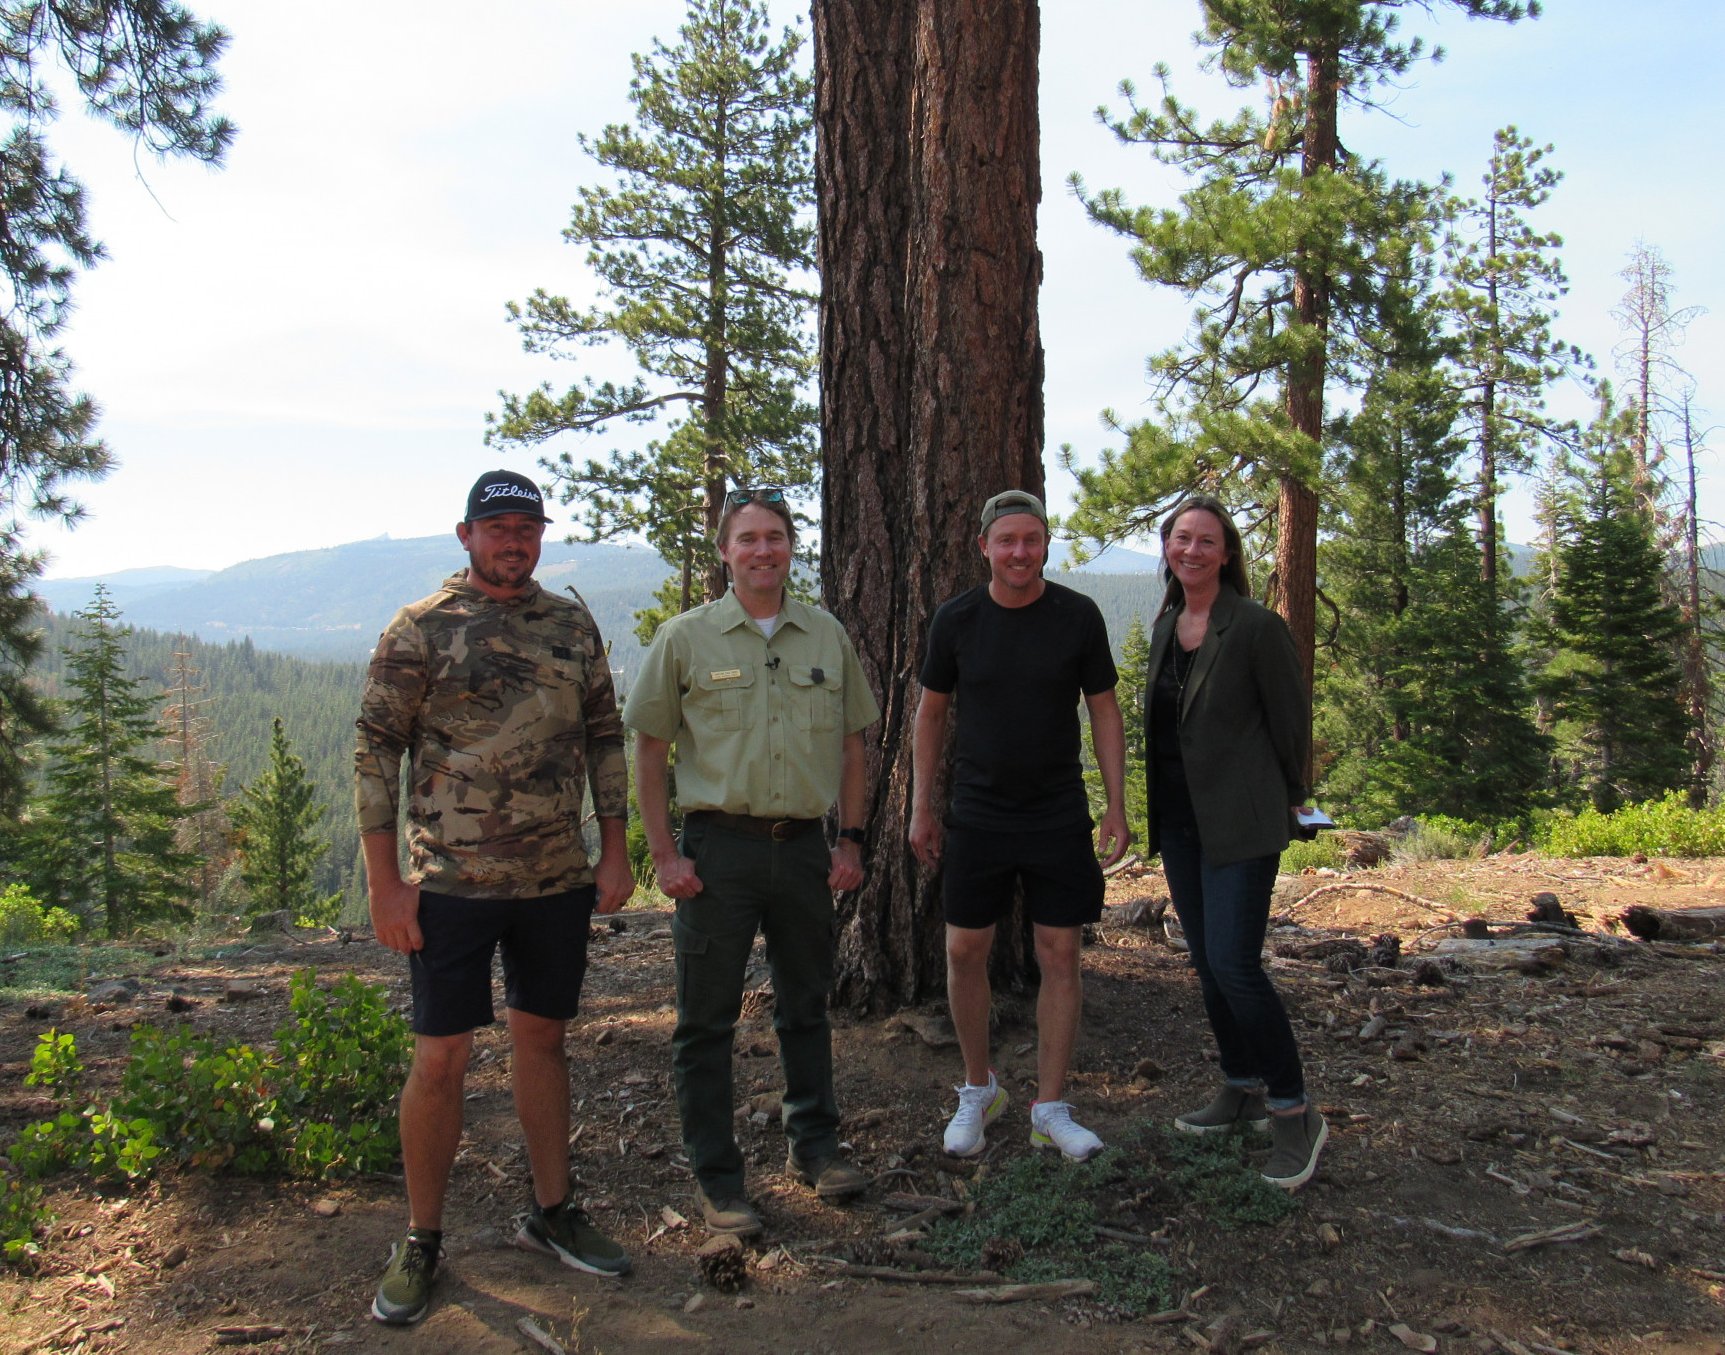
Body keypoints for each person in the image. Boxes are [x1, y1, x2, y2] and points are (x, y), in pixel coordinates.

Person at [355, 469, 635, 1326]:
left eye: (527, 527)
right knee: (440, 1057)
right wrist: (384, 883)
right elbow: (376, 751)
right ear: (466, 535)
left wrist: (615, 847)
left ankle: (552, 1210)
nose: (514, 540)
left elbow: (603, 734)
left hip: (554, 878)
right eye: (498, 526)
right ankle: (421, 1238)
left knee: (541, 1041)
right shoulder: (420, 628)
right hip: (450, 884)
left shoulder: (569, 624)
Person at [626, 487, 881, 1237]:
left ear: (790, 547)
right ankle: (719, 1179)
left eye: (775, 536)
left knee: (806, 1007)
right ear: (724, 553)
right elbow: (648, 750)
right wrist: (664, 854)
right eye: (747, 539)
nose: (762, 550)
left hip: (801, 849)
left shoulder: (825, 635)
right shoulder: (685, 638)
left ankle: (817, 1148)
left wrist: (850, 840)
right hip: (718, 854)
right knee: (705, 1022)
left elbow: (852, 746)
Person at [910, 489, 1132, 1163]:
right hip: (977, 811)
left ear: (1044, 545)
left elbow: (1103, 710)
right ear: (983, 546)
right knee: (963, 950)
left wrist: (1116, 803)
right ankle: (979, 1088)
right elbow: (929, 714)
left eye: (1030, 540)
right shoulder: (956, 619)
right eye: (1005, 540)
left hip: (1056, 810)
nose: (1018, 552)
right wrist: (920, 806)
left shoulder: (1076, 616)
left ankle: (1050, 1107)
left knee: (1059, 953)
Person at [1143, 493, 1327, 1190]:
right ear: (1167, 547)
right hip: (1182, 823)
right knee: (1207, 962)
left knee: (1235, 963)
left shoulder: (1253, 626)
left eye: (1205, 541)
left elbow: (1290, 722)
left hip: (1242, 821)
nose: (1190, 550)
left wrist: (1295, 801)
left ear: (1225, 555)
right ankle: (1241, 1086)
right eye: (1180, 538)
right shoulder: (1167, 625)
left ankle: (1293, 1112)